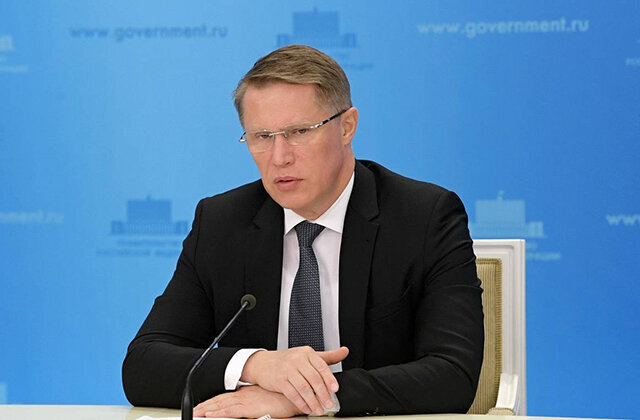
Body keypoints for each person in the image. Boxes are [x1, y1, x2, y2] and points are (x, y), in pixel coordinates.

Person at [122, 44, 484, 417]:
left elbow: (452, 375)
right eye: (262, 136)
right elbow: (142, 367)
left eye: (298, 131)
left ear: (347, 126)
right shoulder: (221, 223)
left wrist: (304, 399)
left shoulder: (423, 218)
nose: (280, 157)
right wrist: (255, 365)